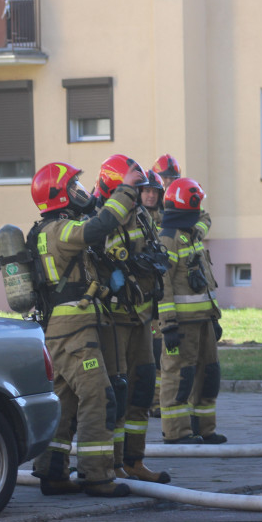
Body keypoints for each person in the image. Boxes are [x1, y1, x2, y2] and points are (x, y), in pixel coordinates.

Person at [26, 161, 144, 498]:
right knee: (98, 396)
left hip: (63, 328)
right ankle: (96, 475)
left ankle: (52, 471)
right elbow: (97, 228)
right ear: (60, 194)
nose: (80, 192)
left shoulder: (47, 230)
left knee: (64, 401)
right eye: (73, 187)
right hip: (74, 328)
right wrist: (126, 189)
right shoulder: (60, 229)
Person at [93, 155, 171, 483]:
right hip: (115, 319)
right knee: (119, 391)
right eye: (134, 186)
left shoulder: (142, 215)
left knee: (142, 386)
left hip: (141, 317)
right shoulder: (102, 218)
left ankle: (135, 460)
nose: (141, 193)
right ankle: (112, 464)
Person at [158, 177, 226, 444]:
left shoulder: (190, 233)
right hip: (181, 325)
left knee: (209, 374)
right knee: (179, 377)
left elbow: (204, 279)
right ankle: (177, 433)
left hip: (203, 321)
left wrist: (214, 317)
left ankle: (203, 429)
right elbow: (162, 284)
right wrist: (168, 324)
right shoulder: (169, 239)